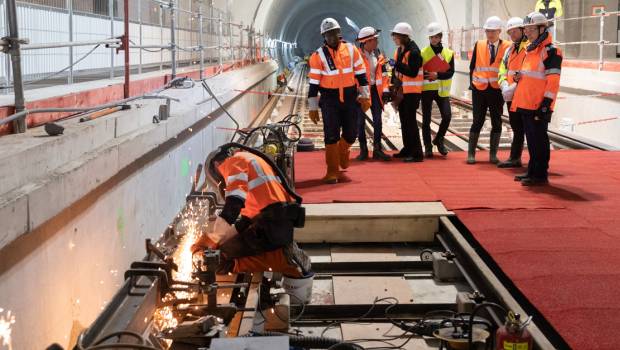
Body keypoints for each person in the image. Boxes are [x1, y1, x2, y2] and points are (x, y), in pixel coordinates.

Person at [191, 144, 311, 277]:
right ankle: (283, 256)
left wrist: (213, 240)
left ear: (216, 165)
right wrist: (219, 240)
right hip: (276, 225)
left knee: (216, 260)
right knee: (220, 251)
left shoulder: (233, 163)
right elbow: (244, 222)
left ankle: (281, 258)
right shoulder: (250, 160)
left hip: (269, 228)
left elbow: (233, 207)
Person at [307, 18, 371, 183]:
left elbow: (361, 75)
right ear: (323, 36)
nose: (331, 37)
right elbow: (313, 83)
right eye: (327, 34)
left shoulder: (351, 50)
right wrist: (313, 106)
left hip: (350, 98)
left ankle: (343, 151)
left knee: (351, 133)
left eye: (333, 33)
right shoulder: (318, 56)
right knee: (331, 135)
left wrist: (365, 96)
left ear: (339, 33)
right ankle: (332, 171)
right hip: (329, 100)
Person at [511, 12, 562, 186]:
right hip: (526, 102)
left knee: (539, 140)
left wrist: (546, 104)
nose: (528, 32)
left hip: (538, 104)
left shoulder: (551, 51)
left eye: (531, 29)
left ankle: (540, 175)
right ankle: (532, 171)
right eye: (526, 29)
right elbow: (531, 75)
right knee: (531, 140)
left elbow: (553, 81)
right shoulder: (531, 50)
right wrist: (518, 77)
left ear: (542, 28)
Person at [467, 16, 511, 165]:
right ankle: (471, 154)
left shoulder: (507, 46)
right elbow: (472, 66)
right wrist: (471, 84)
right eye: (487, 31)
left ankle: (493, 155)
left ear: (499, 31)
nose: (490, 34)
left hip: (496, 90)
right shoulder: (479, 44)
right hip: (479, 89)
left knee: (496, 121)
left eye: (493, 31)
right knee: (477, 121)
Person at [355, 26, 391, 161]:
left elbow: (385, 73)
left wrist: (386, 90)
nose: (377, 42)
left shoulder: (378, 54)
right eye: (375, 39)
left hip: (376, 91)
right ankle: (363, 150)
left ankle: (377, 149)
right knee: (360, 121)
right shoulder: (357, 56)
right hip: (362, 92)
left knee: (378, 120)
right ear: (366, 41)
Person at [391, 22, 424, 162]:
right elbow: (397, 72)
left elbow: (412, 72)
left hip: (412, 92)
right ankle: (407, 148)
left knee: (410, 122)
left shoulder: (414, 52)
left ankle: (417, 153)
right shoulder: (400, 50)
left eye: (396, 36)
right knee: (404, 121)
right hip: (402, 91)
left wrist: (396, 64)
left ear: (404, 36)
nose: (394, 38)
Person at [497, 17, 528, 168]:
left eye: (515, 31)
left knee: (525, 128)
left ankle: (530, 161)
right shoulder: (509, 50)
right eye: (510, 32)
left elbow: (529, 71)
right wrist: (503, 84)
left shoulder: (529, 48)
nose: (512, 34)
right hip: (510, 94)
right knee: (516, 126)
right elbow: (502, 69)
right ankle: (515, 158)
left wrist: (515, 84)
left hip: (523, 95)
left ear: (523, 30)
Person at [420, 22, 454, 158]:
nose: (434, 39)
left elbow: (451, 72)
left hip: (442, 91)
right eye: (431, 37)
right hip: (427, 90)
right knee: (426, 120)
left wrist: (437, 75)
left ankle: (439, 139)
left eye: (436, 37)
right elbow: (419, 72)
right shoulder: (422, 53)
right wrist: (428, 74)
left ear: (440, 37)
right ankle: (428, 147)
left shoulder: (448, 53)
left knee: (447, 116)